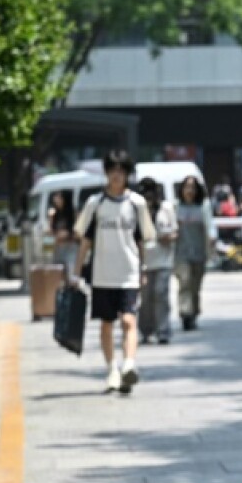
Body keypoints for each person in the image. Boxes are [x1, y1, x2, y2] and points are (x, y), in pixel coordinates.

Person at [72, 150, 157, 395]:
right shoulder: (95, 204)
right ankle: (112, 370)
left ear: (128, 174)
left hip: (129, 272)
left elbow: (142, 240)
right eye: (113, 170)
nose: (117, 176)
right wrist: (77, 274)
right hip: (102, 275)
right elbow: (85, 241)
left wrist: (143, 268)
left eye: (121, 171)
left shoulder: (137, 204)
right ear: (107, 173)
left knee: (129, 320)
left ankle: (129, 364)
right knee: (106, 325)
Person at [137, 178, 178, 345]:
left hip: (163, 260)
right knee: (146, 298)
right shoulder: (137, 210)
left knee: (161, 294)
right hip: (144, 260)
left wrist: (168, 237)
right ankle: (146, 330)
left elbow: (175, 231)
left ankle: (163, 330)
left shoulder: (166, 208)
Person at [174, 176, 214, 331]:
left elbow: (210, 225)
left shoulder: (203, 207)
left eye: (192, 187)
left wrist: (212, 238)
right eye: (186, 187)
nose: (189, 191)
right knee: (184, 283)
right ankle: (185, 314)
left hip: (199, 253)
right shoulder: (176, 207)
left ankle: (194, 312)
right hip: (181, 254)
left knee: (195, 286)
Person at [47, 190, 78, 276]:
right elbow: (50, 233)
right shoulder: (54, 214)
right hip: (58, 249)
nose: (56, 199)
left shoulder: (73, 213)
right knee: (57, 275)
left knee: (71, 273)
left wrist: (68, 234)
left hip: (71, 248)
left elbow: (78, 234)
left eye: (59, 197)